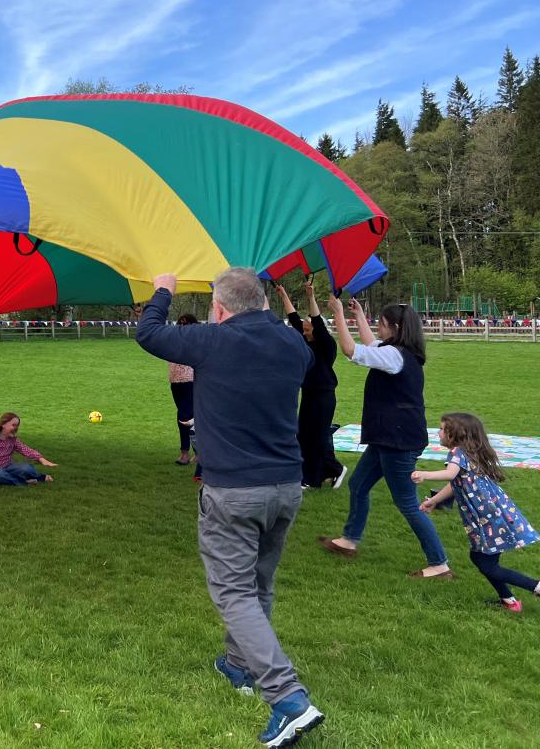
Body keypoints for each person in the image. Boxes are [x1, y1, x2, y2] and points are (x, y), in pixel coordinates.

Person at [136, 268, 324, 747]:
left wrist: (164, 289)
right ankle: (238, 664)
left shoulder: (211, 342)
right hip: (285, 487)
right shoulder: (292, 345)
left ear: (218, 310)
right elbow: (296, 353)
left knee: (235, 593)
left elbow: (149, 333)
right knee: (259, 584)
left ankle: (288, 700)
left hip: (234, 492)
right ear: (262, 302)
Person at [319, 297, 452, 579]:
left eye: (381, 324)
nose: (377, 329)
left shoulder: (395, 357)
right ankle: (349, 541)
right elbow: (372, 345)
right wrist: (358, 316)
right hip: (387, 438)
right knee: (358, 485)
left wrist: (339, 315)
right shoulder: (399, 352)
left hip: (398, 441)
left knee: (406, 502)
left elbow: (351, 350)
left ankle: (439, 564)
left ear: (396, 327)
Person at [414, 413, 540, 617]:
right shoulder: (469, 452)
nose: (439, 432)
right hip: (490, 514)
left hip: (487, 517)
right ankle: (509, 601)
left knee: (485, 562)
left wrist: (424, 474)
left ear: (455, 434)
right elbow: (456, 484)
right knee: (484, 560)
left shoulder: (457, 453)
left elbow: (450, 474)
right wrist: (434, 501)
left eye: (442, 429)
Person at [274, 281, 346, 490]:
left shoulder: (326, 344)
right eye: (304, 330)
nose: (304, 332)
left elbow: (317, 322)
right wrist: (283, 294)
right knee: (304, 436)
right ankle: (312, 477)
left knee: (317, 437)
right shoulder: (306, 340)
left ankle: (332, 470)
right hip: (308, 393)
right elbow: (294, 319)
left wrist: (311, 297)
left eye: (308, 329)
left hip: (324, 396)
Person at [0, 413, 56, 485]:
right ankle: (25, 482)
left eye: (17, 426)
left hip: (9, 466)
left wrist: (41, 459)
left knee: (27, 468)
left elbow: (25, 450)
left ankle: (41, 477)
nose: (15, 428)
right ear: (3, 424)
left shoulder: (12, 440)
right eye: (13, 425)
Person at [168, 314, 197, 467]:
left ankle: (186, 453)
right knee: (189, 416)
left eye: (186, 323)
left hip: (190, 382)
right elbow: (151, 337)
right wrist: (143, 317)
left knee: (184, 417)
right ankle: (200, 451)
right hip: (175, 383)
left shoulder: (197, 341)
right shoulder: (173, 341)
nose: (182, 326)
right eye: (180, 323)